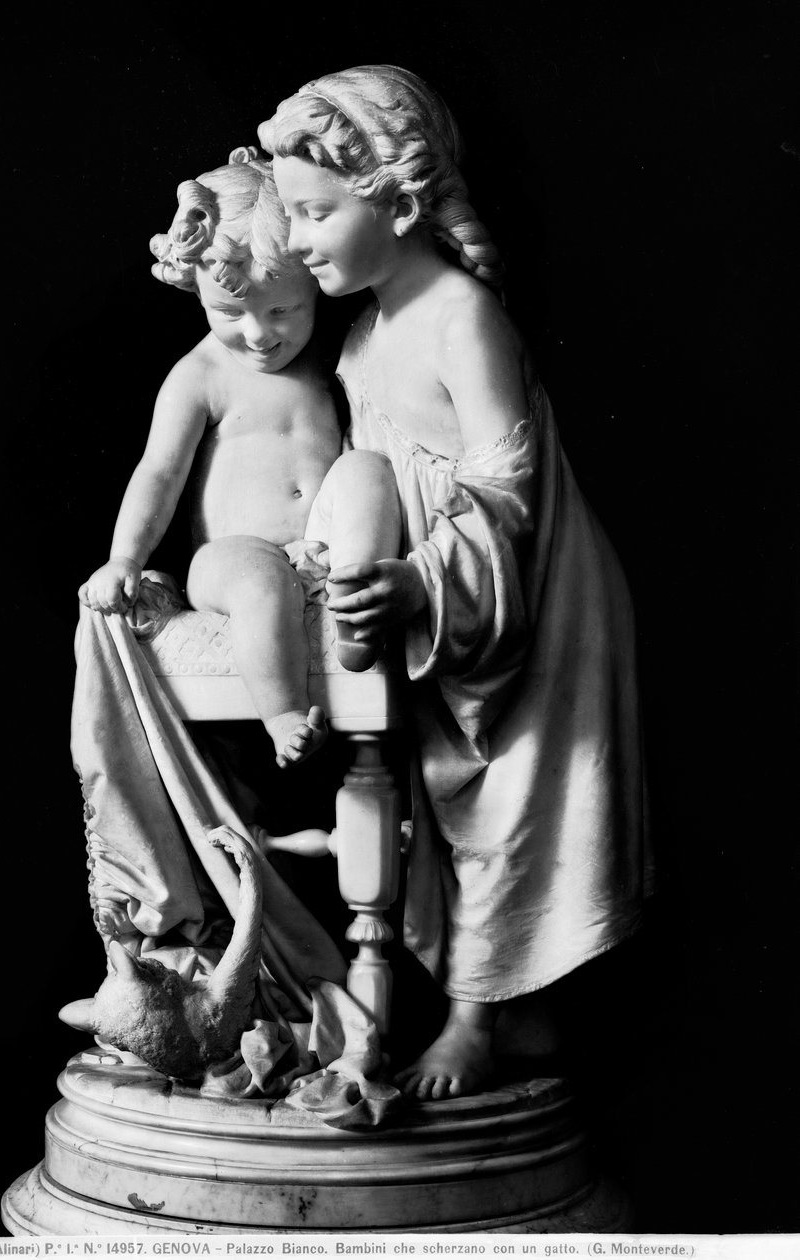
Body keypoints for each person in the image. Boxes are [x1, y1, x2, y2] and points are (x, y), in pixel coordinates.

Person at [260, 65, 651, 1100]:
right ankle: (517, 1020)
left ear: (396, 201)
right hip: (444, 615)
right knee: (448, 812)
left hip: (537, 603)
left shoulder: (460, 316)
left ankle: (476, 1023)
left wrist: (421, 581)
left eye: (315, 213)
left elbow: (507, 493)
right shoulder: (363, 335)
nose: (296, 239)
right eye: (288, 214)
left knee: (512, 815)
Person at [78, 148, 399, 769]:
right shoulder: (200, 375)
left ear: (313, 284)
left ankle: (355, 610)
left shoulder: (327, 353)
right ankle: (283, 714)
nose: (258, 334)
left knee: (367, 470)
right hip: (230, 559)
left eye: (282, 310)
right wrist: (125, 558)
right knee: (260, 579)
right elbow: (159, 472)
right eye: (229, 312)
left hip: (322, 551)